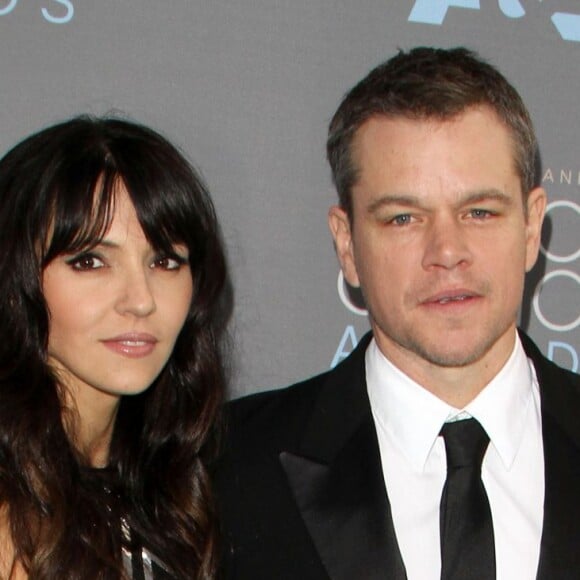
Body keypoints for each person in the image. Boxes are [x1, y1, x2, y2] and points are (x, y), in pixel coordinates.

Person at [216, 47, 580, 579]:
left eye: (479, 212)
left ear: (531, 227)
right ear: (346, 244)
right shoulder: (225, 469)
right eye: (404, 218)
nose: (447, 251)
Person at [0, 116, 227, 579]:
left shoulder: (165, 492)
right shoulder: (11, 512)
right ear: (15, 277)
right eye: (91, 261)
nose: (141, 300)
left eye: (165, 261)